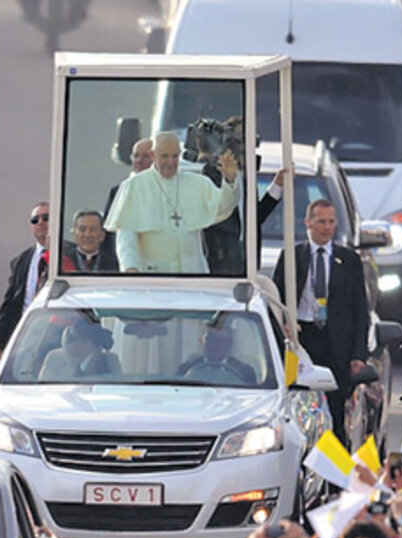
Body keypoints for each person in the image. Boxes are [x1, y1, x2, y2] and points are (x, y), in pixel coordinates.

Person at [273, 198, 369, 445]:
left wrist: (359, 354)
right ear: (308, 223)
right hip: (303, 340)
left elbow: (360, 309)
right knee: (300, 409)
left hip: (335, 344)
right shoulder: (293, 256)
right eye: (321, 222)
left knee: (335, 414)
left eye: (331, 222)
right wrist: (284, 323)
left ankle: (335, 477)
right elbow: (276, 299)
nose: (326, 228)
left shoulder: (348, 260)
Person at [104, 131, 240, 274]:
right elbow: (126, 234)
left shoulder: (198, 183)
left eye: (175, 156)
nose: (170, 162)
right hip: (153, 276)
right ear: (153, 155)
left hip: (193, 274)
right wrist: (130, 267)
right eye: (165, 156)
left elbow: (223, 207)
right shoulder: (134, 186)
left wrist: (229, 180)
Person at [0, 202, 49, 364]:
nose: (40, 222)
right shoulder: (21, 260)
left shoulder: (69, 254)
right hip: (27, 337)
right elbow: (10, 304)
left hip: (56, 335)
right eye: (35, 220)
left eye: (46, 218)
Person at [177, 323, 256, 385]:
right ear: (203, 342)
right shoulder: (186, 369)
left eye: (221, 340)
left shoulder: (245, 372)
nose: (216, 345)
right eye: (211, 339)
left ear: (229, 344)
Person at [38, 322, 121, 381]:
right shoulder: (55, 359)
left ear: (91, 343)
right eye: (69, 340)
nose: (70, 345)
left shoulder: (110, 361)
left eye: (75, 340)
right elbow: (43, 389)